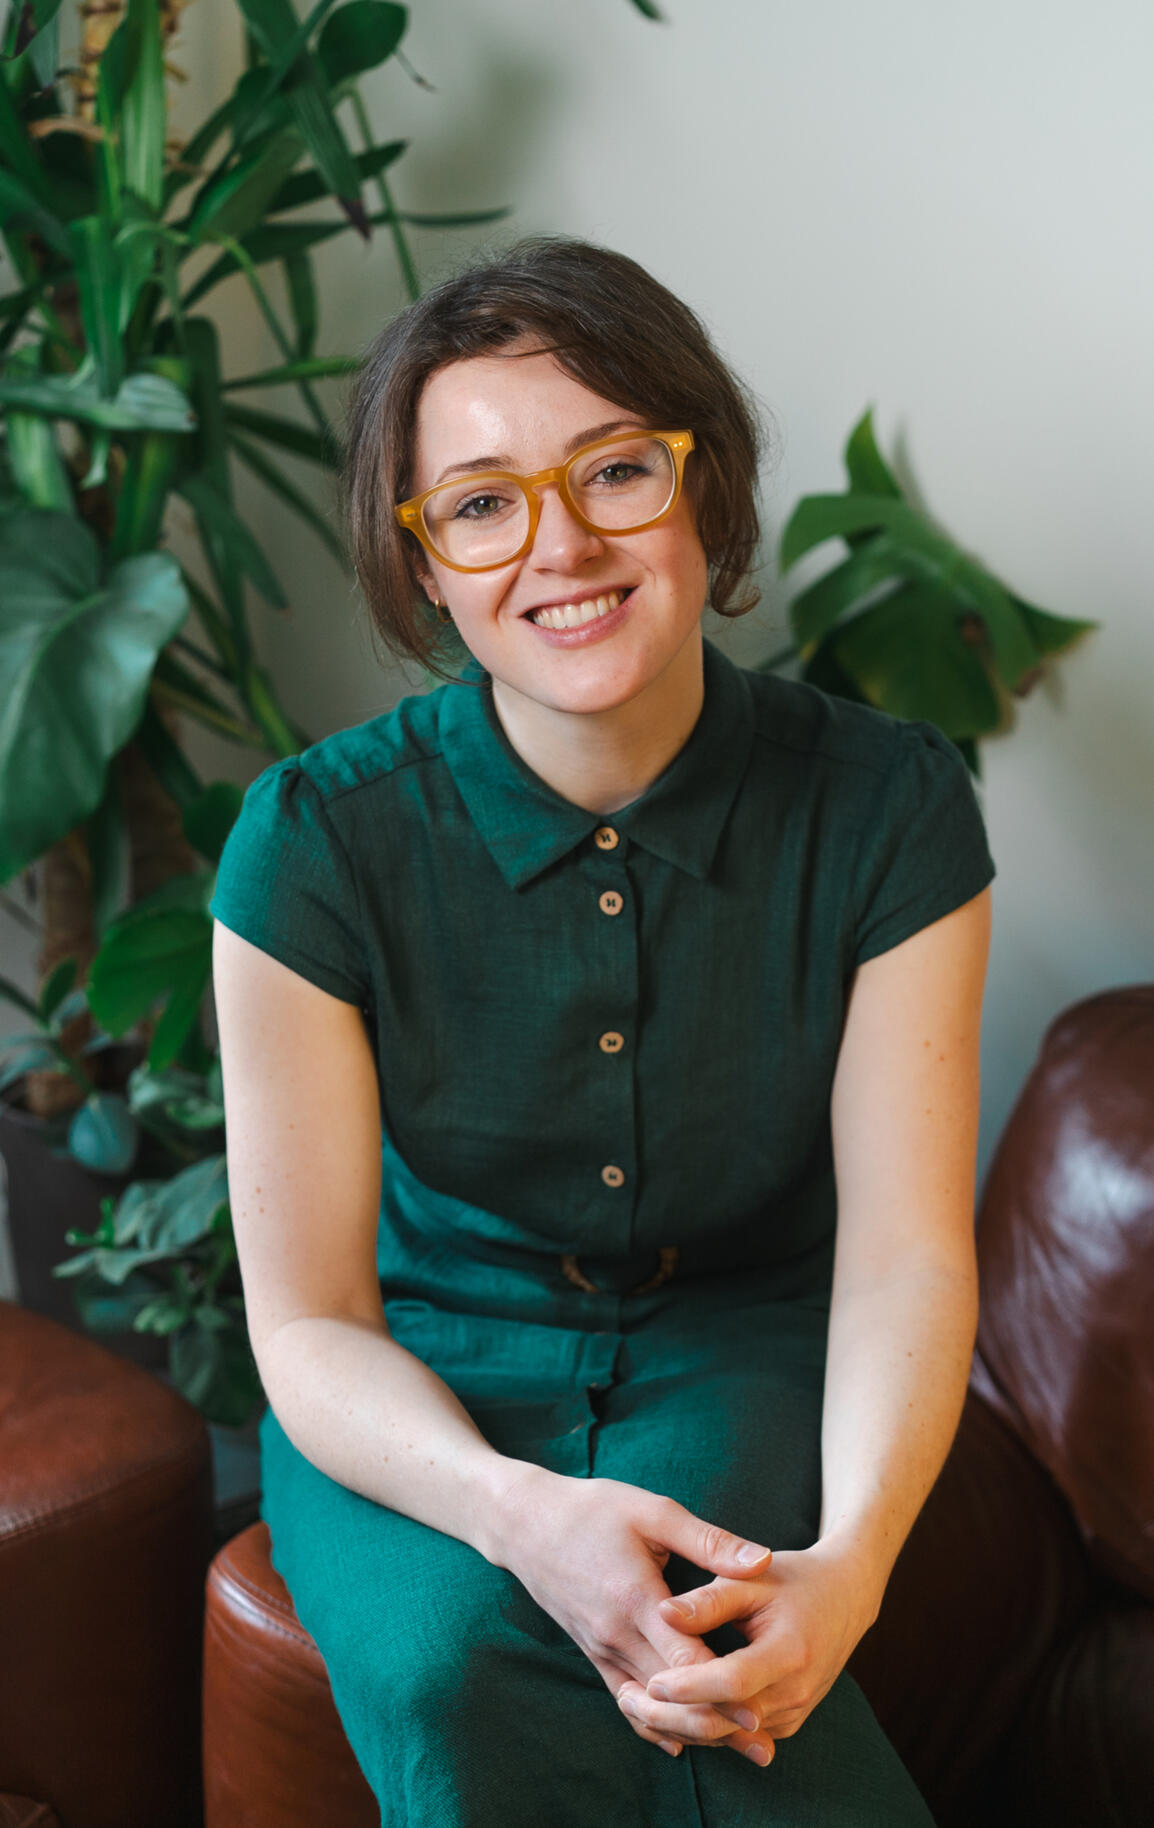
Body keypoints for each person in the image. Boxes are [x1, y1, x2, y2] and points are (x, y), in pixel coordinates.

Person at [209, 235, 995, 1827]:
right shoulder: (312, 843)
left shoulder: (890, 806)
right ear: (424, 563)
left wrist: (846, 1571)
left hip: (741, 1338)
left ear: (702, 490)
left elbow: (906, 1253)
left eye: (613, 470)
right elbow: (306, 1324)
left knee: (714, 1640)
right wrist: (511, 1513)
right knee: (446, 1656)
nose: (557, 546)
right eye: (482, 503)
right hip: (420, 1367)